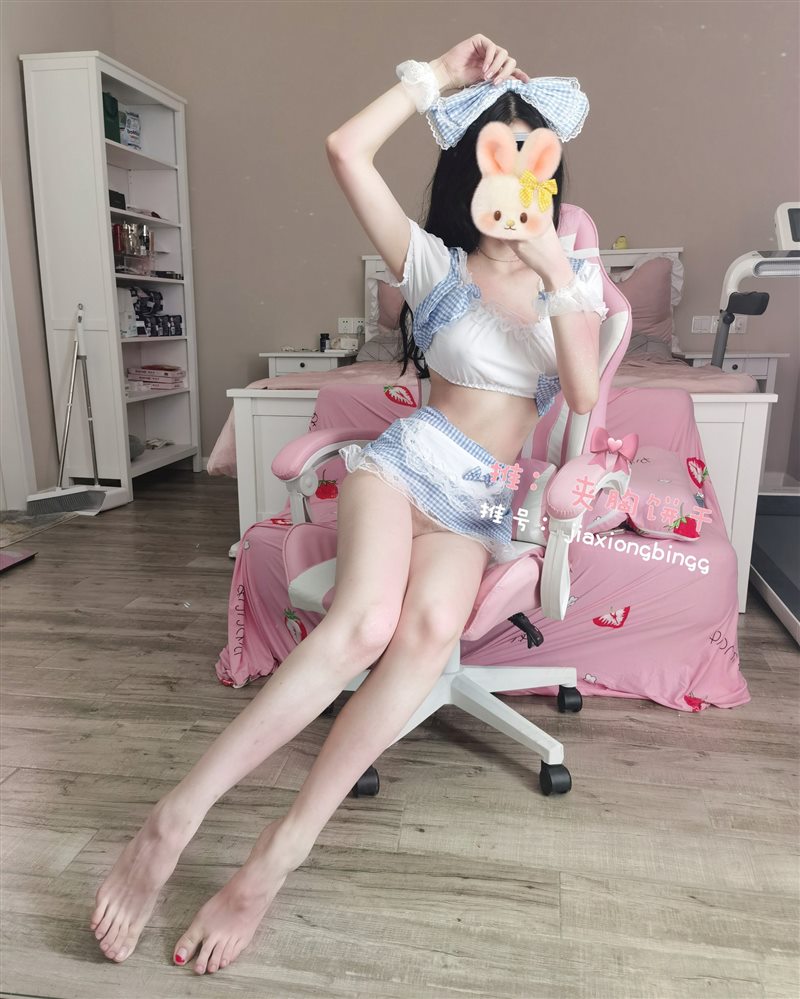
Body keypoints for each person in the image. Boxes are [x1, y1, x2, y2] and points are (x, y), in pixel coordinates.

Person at [89, 33, 605, 976]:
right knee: (364, 623)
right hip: (402, 468)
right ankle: (173, 817)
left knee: (431, 629)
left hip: (476, 507)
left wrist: (557, 267)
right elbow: (344, 149)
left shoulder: (573, 281)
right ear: (474, 168)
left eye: (533, 157)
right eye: (498, 154)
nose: (517, 176)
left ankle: (274, 856)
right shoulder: (434, 264)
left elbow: (578, 391)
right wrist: (438, 78)